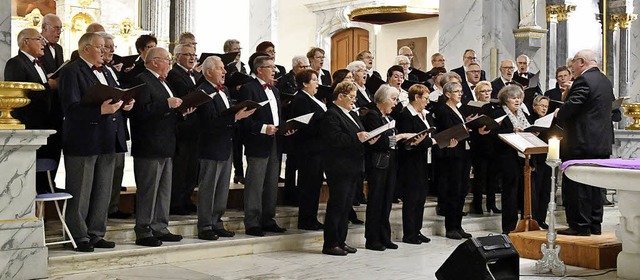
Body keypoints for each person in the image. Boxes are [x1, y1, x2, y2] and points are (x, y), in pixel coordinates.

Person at [58, 32, 134, 252]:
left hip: (108, 137)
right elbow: (70, 108)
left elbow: (115, 97)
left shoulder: (108, 71)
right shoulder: (72, 71)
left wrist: (126, 103)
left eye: (105, 47)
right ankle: (78, 235)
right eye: (100, 47)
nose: (105, 51)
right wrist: (100, 109)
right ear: (86, 48)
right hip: (83, 139)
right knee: (80, 190)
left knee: (103, 189)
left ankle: (96, 232)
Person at [130, 47, 193, 247]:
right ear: (155, 61)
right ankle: (143, 230)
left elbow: (167, 111)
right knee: (149, 190)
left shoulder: (164, 83)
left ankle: (160, 226)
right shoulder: (142, 80)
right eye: (168, 59)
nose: (170, 64)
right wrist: (167, 104)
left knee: (164, 190)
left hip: (166, 143)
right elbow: (140, 112)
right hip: (149, 144)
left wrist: (181, 111)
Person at [556, 49, 614, 236]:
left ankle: (580, 226)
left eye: (573, 62)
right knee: (596, 186)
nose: (571, 66)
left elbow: (574, 105)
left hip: (582, 143)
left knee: (577, 185)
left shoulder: (583, 80)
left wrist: (560, 112)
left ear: (581, 62)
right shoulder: (604, 80)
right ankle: (594, 225)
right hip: (601, 143)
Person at [196, 56, 255, 240]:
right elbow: (209, 121)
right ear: (208, 72)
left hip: (225, 143)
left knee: (221, 188)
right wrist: (235, 117)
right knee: (208, 188)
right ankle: (205, 225)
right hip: (210, 145)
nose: (224, 72)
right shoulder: (202, 91)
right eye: (220, 68)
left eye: (223, 68)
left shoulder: (225, 90)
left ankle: (217, 222)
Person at [238, 55, 294, 237]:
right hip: (258, 141)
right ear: (259, 69)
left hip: (275, 141)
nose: (275, 71)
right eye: (271, 67)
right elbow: (244, 120)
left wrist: (285, 127)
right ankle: (252, 222)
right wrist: (263, 128)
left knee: (271, 182)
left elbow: (276, 116)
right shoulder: (249, 88)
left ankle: (268, 219)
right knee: (255, 183)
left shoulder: (275, 91)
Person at [320, 81, 377, 256]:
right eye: (351, 97)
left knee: (346, 206)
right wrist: (357, 137)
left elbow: (358, 135)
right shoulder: (331, 114)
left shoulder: (352, 114)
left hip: (353, 165)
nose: (354, 100)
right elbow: (335, 139)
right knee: (337, 204)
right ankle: (330, 243)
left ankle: (341, 240)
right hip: (339, 166)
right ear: (341, 96)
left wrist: (368, 139)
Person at [4, 28, 59, 195]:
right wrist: (48, 86)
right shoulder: (16, 63)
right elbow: (19, 92)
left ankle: (46, 186)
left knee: (47, 157)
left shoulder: (39, 64)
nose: (43, 43)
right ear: (25, 42)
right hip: (29, 122)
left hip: (45, 120)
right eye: (39, 39)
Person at [361, 85, 413, 250]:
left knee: (386, 202)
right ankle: (372, 238)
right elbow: (376, 142)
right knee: (376, 201)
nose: (395, 103)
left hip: (389, 163)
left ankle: (385, 236)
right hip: (377, 164)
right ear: (382, 99)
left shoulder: (387, 118)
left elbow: (387, 140)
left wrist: (400, 138)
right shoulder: (372, 116)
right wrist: (398, 137)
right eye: (393, 99)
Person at [396, 84, 437, 244]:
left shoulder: (425, 115)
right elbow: (407, 140)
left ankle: (417, 230)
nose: (427, 102)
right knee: (412, 199)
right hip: (410, 163)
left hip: (424, 160)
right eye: (425, 99)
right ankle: (409, 233)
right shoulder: (406, 115)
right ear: (416, 97)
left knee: (421, 198)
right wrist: (430, 141)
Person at [433, 81, 473, 240]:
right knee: (453, 191)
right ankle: (451, 227)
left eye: (460, 91)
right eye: (456, 91)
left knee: (462, 191)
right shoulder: (443, 110)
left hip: (463, 153)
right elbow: (446, 130)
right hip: (452, 156)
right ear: (447, 94)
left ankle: (458, 225)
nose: (460, 93)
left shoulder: (458, 109)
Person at [166, 43, 202, 215]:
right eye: (187, 54)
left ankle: (187, 198)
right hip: (182, 125)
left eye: (194, 55)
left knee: (192, 166)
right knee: (180, 166)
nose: (192, 58)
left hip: (195, 125)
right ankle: (176, 201)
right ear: (177, 56)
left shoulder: (196, 74)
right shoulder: (174, 74)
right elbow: (184, 92)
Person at [289, 69, 327, 230]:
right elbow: (305, 124)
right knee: (308, 185)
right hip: (308, 149)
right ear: (304, 83)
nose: (317, 83)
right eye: (314, 80)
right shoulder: (300, 99)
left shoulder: (312, 98)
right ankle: (306, 219)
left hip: (317, 148)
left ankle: (312, 217)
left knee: (315, 184)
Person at [492, 85, 531, 234]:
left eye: (519, 98)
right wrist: (513, 130)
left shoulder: (522, 113)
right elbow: (494, 133)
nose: (517, 101)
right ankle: (509, 227)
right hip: (507, 157)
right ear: (505, 100)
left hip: (524, 157)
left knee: (524, 192)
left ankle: (524, 224)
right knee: (510, 194)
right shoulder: (499, 113)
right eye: (513, 98)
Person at [468, 81, 501, 215]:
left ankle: (491, 204)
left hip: (493, 144)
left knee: (492, 177)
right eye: (483, 91)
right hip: (479, 145)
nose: (487, 93)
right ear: (477, 94)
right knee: (479, 176)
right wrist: (478, 131)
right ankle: (478, 205)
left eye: (488, 91)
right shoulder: (473, 107)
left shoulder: (495, 107)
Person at [530, 95, 552, 229]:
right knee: (535, 189)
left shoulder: (549, 121)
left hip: (547, 158)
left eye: (546, 106)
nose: (544, 108)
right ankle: (534, 218)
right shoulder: (530, 120)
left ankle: (542, 218)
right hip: (534, 159)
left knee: (545, 190)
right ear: (534, 106)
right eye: (541, 106)